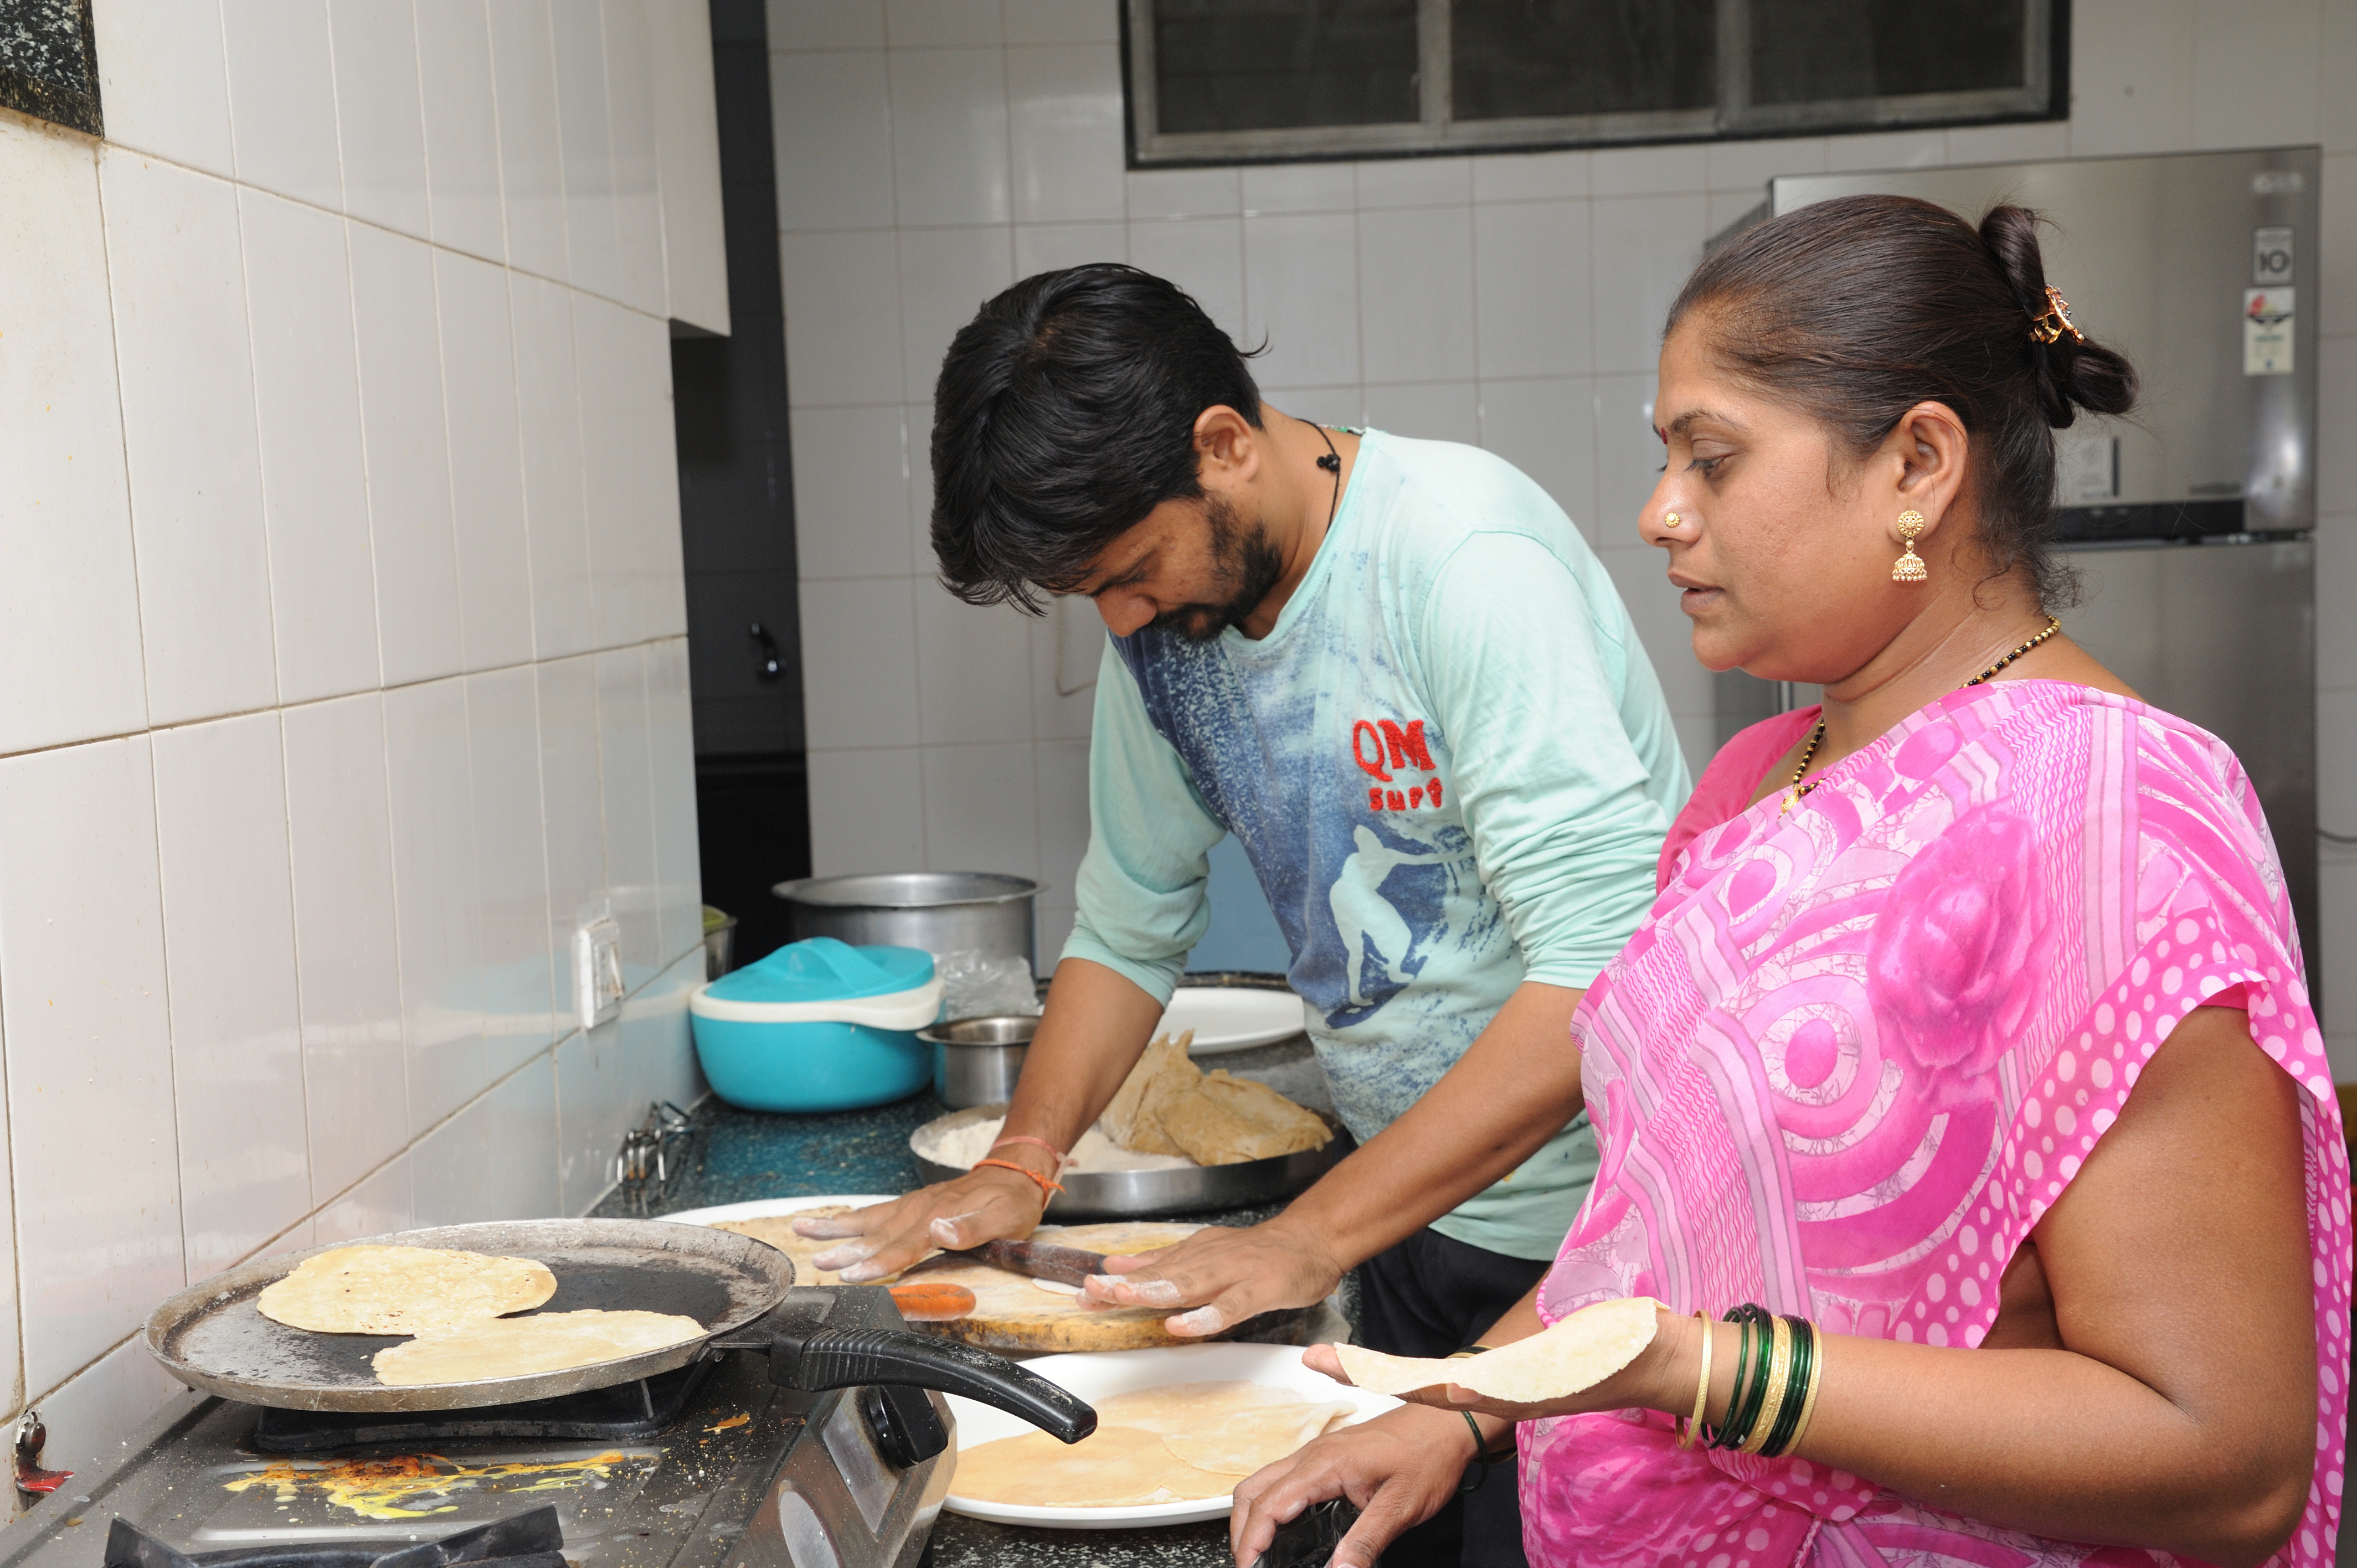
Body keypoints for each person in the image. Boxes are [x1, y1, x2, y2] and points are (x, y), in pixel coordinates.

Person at [1231, 194, 2349, 1568]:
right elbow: (1656, 1224)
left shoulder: (2116, 824)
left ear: (1918, 466)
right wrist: (1462, 1407)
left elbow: (2221, 1457)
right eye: (1666, 460)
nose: (1657, 514)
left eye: (1712, 459)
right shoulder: (1754, 779)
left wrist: (1715, 1375)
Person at [794, 264, 1690, 1564]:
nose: (1120, 617)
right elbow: (1127, 921)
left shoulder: (1459, 558)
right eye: (1090, 592)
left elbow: (1603, 969)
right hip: (1408, 1216)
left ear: (1223, 443)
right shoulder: (1168, 630)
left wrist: (1302, 1240)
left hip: (1605, 1242)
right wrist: (1019, 1162)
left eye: (1131, 569)